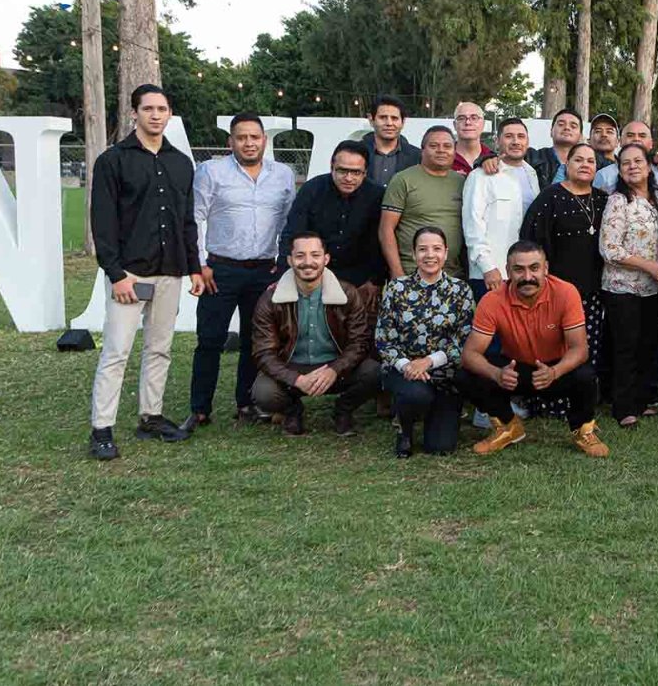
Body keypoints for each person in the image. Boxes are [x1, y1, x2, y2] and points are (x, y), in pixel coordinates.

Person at [87, 84, 205, 460]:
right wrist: (116, 274)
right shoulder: (113, 161)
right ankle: (101, 429)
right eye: (148, 108)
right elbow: (102, 223)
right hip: (130, 274)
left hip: (170, 271)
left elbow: (187, 222)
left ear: (169, 114)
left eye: (162, 109)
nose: (156, 115)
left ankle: (150, 417)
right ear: (134, 113)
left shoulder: (180, 163)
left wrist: (195, 268)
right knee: (116, 351)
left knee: (160, 349)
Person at [187, 112, 296, 428]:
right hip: (220, 269)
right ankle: (200, 408)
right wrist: (200, 264)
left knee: (255, 340)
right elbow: (194, 218)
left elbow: (288, 223)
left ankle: (246, 403)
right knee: (210, 339)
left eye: (254, 137)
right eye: (241, 137)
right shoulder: (211, 171)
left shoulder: (282, 174)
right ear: (230, 141)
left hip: (264, 270)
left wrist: (282, 261)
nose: (249, 143)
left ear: (264, 140)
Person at [461, 241, 609, 458]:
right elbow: (469, 354)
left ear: (546, 268)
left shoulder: (566, 292)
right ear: (508, 270)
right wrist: (497, 374)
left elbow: (580, 349)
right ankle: (508, 426)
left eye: (534, 268)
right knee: (467, 374)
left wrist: (554, 372)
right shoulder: (492, 300)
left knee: (585, 375)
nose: (527, 276)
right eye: (519, 269)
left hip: (555, 369)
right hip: (515, 370)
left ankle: (583, 431)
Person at [249, 231, 381, 435]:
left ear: (326, 259)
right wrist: (296, 379)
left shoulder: (348, 293)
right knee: (263, 392)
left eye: (315, 255)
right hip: (292, 368)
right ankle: (293, 411)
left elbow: (359, 343)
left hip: (336, 368)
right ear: (290, 260)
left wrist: (334, 370)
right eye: (300, 256)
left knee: (376, 372)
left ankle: (343, 410)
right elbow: (263, 352)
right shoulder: (270, 299)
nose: (307, 262)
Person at [375, 226, 479, 457]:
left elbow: (464, 338)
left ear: (446, 253)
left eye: (436, 249)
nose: (430, 255)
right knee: (416, 395)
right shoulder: (397, 288)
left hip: (444, 374)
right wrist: (408, 366)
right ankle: (405, 430)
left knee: (440, 447)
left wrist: (429, 361)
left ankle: (436, 415)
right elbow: (384, 338)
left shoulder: (460, 290)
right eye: (423, 249)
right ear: (414, 254)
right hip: (405, 372)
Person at [520, 143, 608, 385]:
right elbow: (531, 243)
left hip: (593, 289)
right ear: (566, 164)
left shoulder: (603, 200)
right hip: (556, 289)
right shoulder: (550, 197)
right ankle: (550, 393)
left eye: (590, 161)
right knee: (554, 344)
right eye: (578, 160)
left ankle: (583, 392)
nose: (585, 165)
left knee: (587, 343)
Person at [600, 143, 658, 426]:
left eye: (638, 161)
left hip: (654, 288)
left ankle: (643, 398)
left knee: (648, 344)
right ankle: (624, 407)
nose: (632, 167)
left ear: (649, 166)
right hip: (622, 286)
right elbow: (609, 248)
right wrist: (648, 265)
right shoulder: (618, 201)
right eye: (625, 163)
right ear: (619, 170)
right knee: (626, 346)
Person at [278, 141, 386, 288]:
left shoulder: (377, 195)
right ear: (332, 167)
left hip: (360, 280)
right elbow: (292, 233)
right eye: (342, 171)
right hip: (313, 275)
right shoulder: (312, 190)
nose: (348, 178)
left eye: (356, 172)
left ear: (365, 172)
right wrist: (284, 276)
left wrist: (375, 281)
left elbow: (381, 241)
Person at [463, 117, 542, 305]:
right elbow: (472, 224)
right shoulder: (481, 176)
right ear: (497, 141)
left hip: (525, 272)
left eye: (521, 136)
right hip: (492, 273)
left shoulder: (532, 174)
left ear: (527, 142)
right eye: (509, 136)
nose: (515, 141)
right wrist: (487, 266)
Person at [379, 126, 466, 280]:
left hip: (452, 277)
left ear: (455, 151)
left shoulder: (463, 182)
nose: (441, 150)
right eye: (434, 146)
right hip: (411, 274)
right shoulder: (403, 180)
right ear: (422, 150)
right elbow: (386, 229)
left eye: (447, 146)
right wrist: (397, 272)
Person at [593, 120, 658, 192]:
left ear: (651, 143)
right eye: (630, 135)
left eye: (642, 136)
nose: (636, 139)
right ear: (620, 141)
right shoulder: (603, 175)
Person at [362, 95, 422, 187]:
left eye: (394, 118)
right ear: (371, 120)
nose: (389, 123)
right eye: (383, 117)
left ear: (403, 122)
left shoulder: (417, 156)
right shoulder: (356, 152)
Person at [451, 101, 496, 175]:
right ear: (454, 125)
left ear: (483, 124)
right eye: (461, 118)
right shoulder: (444, 157)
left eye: (474, 118)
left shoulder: (493, 159)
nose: (468, 122)